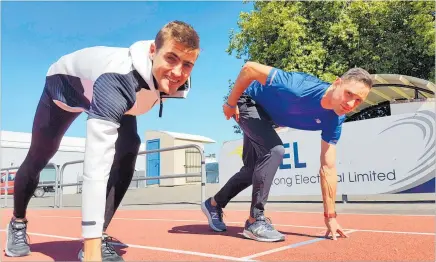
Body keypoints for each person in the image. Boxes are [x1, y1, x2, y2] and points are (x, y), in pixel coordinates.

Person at [4, 20, 200, 261]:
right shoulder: (117, 81)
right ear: (152, 51)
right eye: (170, 58)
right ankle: (18, 222)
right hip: (65, 88)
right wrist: (92, 251)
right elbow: (96, 166)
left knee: (129, 148)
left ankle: (101, 230)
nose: (179, 72)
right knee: (39, 156)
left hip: (115, 96)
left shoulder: (179, 79)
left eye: (188, 64)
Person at [201, 62, 372, 242]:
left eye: (359, 100)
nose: (351, 103)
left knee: (252, 169)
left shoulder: (335, 119)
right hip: (249, 102)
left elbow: (327, 167)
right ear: (337, 83)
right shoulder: (298, 86)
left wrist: (330, 216)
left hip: (267, 119)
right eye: (349, 94)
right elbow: (249, 68)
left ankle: (213, 204)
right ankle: (255, 221)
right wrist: (231, 102)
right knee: (274, 150)